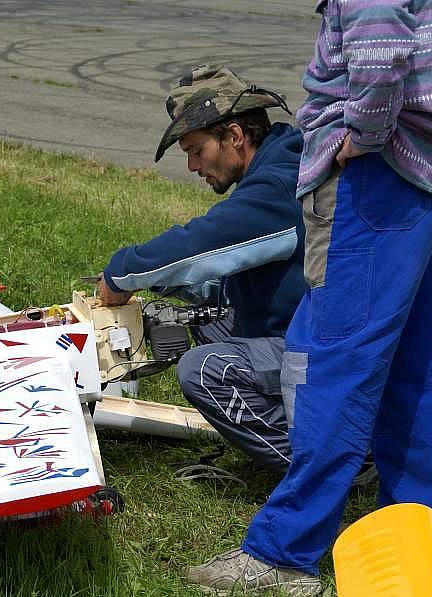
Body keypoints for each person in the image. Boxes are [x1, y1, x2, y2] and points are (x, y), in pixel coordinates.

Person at [183, 1, 432, 596]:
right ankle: (414, 526)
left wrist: (361, 135)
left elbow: (377, 43)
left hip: (385, 160)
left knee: (331, 360)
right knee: (420, 357)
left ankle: (285, 551)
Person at [99, 65, 307, 473]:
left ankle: (327, 466)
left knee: (200, 369)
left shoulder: (280, 184)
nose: (193, 166)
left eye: (197, 150)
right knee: (204, 321)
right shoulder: (278, 164)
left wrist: (121, 273)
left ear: (234, 135)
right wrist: (183, 291)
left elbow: (201, 243)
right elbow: (249, 271)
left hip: (323, 347)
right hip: (305, 325)